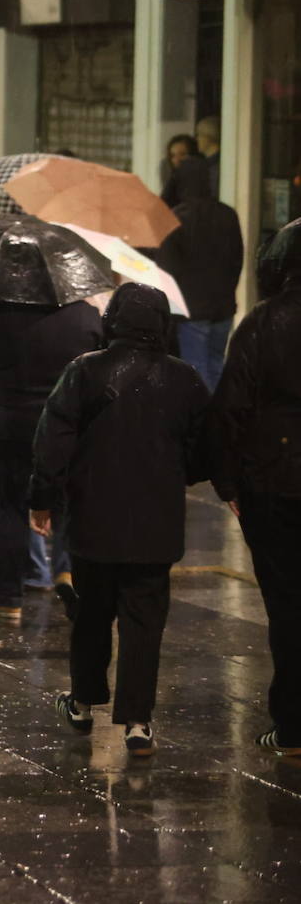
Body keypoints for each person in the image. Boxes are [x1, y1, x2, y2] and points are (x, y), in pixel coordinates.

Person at [30, 284, 210, 757]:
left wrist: (42, 498)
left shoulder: (84, 372)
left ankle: (84, 702)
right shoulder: (185, 379)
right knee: (144, 620)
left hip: (94, 518)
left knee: (92, 613)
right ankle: (138, 721)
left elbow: (53, 440)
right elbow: (203, 451)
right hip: (156, 523)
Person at [208, 219, 301, 755]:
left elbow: (230, 409)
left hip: (275, 482)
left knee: (288, 604)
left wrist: (227, 481)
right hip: (273, 478)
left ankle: (293, 723)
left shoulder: (264, 324)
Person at [0, 298, 103, 623]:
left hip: (7, 428)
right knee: (69, 499)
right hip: (64, 427)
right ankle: (68, 571)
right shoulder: (84, 315)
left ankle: (9, 599)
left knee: (7, 506)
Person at [156, 168, 243, 391]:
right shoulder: (228, 214)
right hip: (223, 306)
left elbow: (168, 268)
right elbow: (237, 258)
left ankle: (204, 423)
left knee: (196, 370)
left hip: (191, 309)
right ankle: (218, 420)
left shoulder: (176, 217)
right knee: (215, 366)